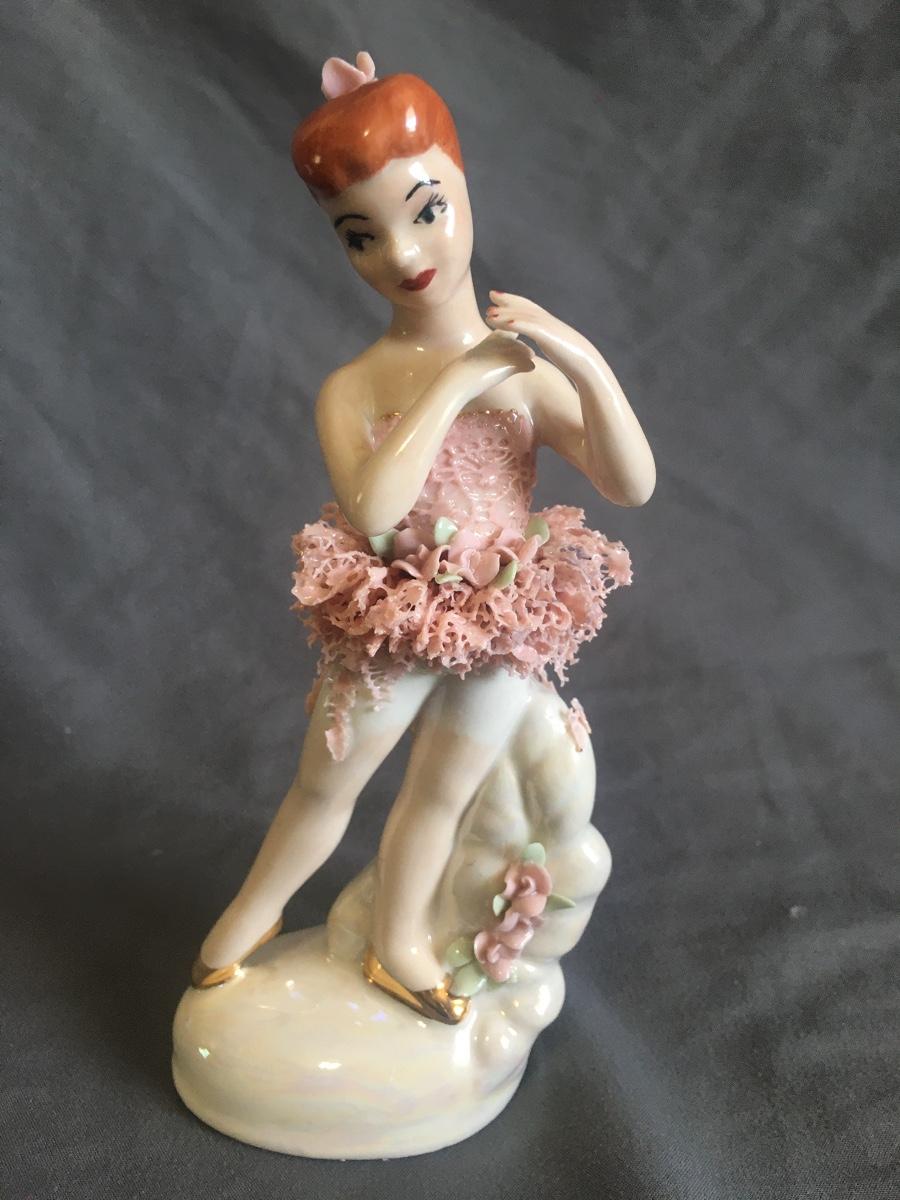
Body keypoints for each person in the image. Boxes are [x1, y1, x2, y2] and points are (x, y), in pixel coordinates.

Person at [190, 52, 655, 1024]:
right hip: (394, 614)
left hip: (502, 612)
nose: (403, 255)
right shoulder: (354, 387)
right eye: (361, 236)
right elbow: (374, 510)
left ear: (462, 185)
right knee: (325, 786)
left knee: (443, 796)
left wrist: (582, 360)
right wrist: (456, 380)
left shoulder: (527, 372)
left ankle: (400, 944)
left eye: (426, 209)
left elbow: (630, 482)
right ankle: (245, 918)